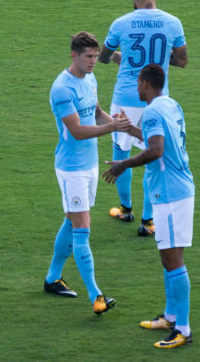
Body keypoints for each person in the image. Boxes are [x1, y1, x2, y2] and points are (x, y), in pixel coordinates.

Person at [102, 64, 195, 348]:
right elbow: (159, 139)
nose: (136, 88)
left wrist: (123, 164)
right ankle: (170, 316)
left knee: (173, 260)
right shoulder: (170, 104)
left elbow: (156, 150)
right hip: (175, 189)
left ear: (144, 84)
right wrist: (131, 129)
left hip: (171, 194)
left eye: (138, 84)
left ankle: (183, 329)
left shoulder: (153, 111)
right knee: (168, 258)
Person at [43, 31, 136, 315]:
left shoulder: (91, 79)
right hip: (71, 168)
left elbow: (96, 114)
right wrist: (111, 128)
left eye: (96, 56)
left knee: (72, 222)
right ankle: (96, 295)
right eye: (88, 57)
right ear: (74, 55)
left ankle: (51, 279)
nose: (94, 61)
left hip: (89, 164)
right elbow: (77, 131)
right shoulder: (62, 88)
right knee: (83, 228)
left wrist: (123, 127)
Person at [99, 0, 187, 236]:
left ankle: (126, 210)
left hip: (125, 98)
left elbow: (103, 57)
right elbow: (182, 61)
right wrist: (158, 58)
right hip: (156, 100)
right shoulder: (173, 23)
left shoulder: (121, 23)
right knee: (151, 155)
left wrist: (124, 60)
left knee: (121, 151)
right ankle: (148, 222)